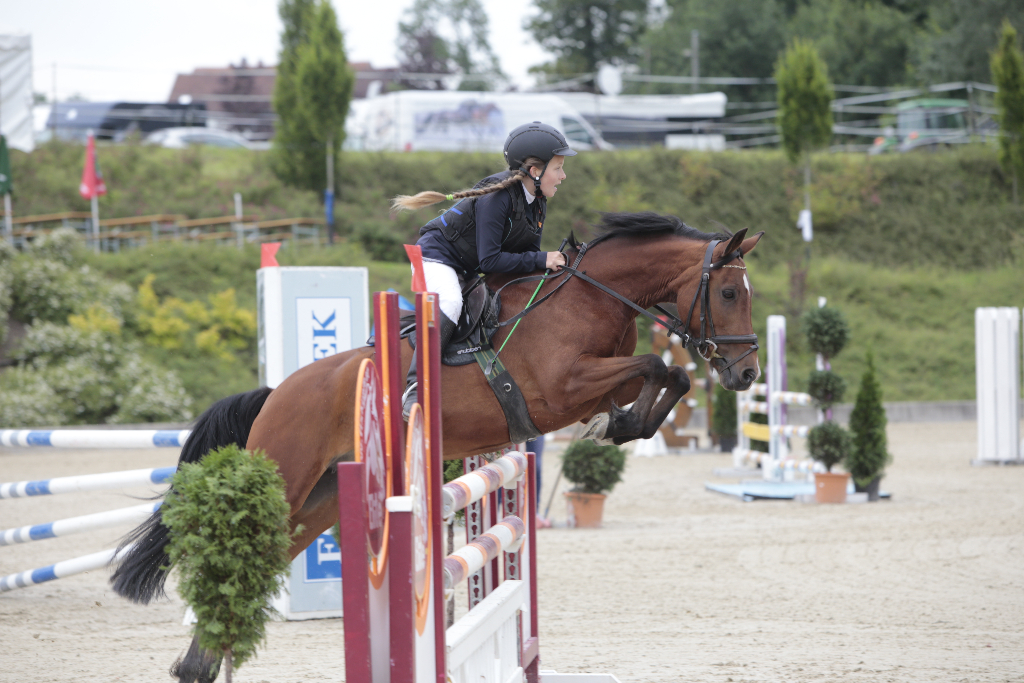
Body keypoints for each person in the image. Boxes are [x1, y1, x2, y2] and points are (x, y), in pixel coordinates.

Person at [391, 121, 577, 418]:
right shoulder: (498, 198)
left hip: (467, 267)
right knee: (451, 302)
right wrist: (543, 259)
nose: (564, 176)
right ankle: (414, 388)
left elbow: (527, 256)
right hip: (434, 257)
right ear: (535, 171)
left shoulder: (537, 200)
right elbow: (492, 261)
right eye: (558, 168)